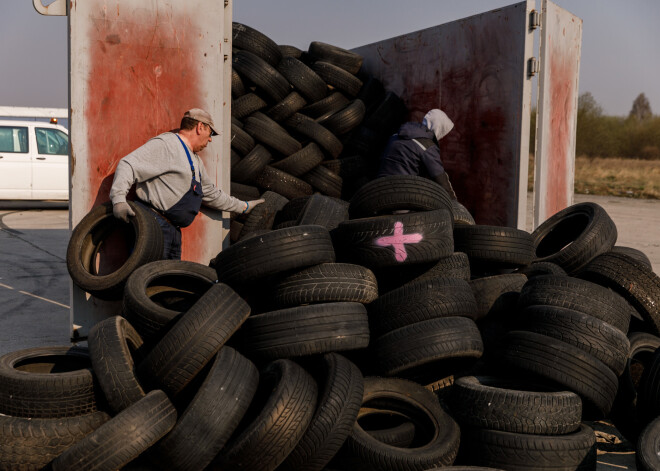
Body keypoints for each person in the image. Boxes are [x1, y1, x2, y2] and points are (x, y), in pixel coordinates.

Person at [109, 108, 264, 260]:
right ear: (200, 127)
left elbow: (210, 193)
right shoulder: (167, 144)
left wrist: (243, 207)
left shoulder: (195, 160)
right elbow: (128, 164)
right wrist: (119, 200)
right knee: (146, 278)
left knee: (168, 283)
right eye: (210, 133)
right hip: (153, 224)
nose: (210, 139)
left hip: (173, 231)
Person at [376, 108, 457, 199]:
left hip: (377, 190)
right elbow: (440, 178)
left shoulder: (395, 136)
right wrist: (454, 203)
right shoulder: (427, 146)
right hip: (399, 197)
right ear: (438, 129)